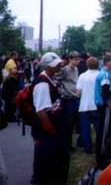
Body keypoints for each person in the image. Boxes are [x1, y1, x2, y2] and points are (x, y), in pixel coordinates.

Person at [30, 52, 70, 184]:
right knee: (47, 163)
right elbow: (41, 112)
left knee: (53, 162)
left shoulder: (50, 79)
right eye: (56, 65)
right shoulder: (42, 84)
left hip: (53, 130)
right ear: (47, 67)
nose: (59, 66)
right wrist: (52, 131)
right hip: (48, 133)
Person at [95, 54, 111, 166]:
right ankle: (102, 157)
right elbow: (105, 94)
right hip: (104, 107)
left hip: (101, 106)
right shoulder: (105, 75)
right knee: (104, 131)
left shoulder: (102, 73)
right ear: (107, 62)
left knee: (102, 130)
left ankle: (101, 154)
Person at [76, 57, 100, 154]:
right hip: (96, 105)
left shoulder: (82, 76)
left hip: (84, 106)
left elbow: (78, 92)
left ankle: (87, 148)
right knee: (98, 127)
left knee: (85, 128)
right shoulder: (100, 75)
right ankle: (100, 145)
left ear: (87, 65)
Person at [59, 50, 81, 151]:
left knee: (73, 124)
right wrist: (63, 90)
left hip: (75, 98)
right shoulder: (65, 70)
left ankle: (69, 144)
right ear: (70, 59)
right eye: (75, 59)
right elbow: (58, 79)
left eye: (78, 59)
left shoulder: (76, 69)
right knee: (67, 124)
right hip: (67, 99)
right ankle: (66, 145)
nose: (77, 61)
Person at [1, 51, 20, 122]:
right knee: (11, 100)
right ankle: (10, 117)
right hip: (10, 83)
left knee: (8, 100)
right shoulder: (11, 62)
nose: (17, 56)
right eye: (17, 55)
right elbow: (13, 71)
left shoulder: (9, 61)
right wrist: (19, 72)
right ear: (14, 55)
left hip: (8, 83)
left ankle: (8, 116)